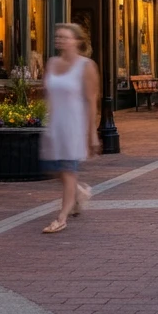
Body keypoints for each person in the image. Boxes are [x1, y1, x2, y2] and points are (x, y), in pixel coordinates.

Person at [40, 24, 99, 234]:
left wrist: (92, 134)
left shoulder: (86, 66)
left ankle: (61, 218)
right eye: (58, 37)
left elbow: (92, 101)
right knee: (54, 169)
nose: (60, 40)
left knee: (67, 171)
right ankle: (79, 192)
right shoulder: (52, 63)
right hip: (55, 124)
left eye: (65, 37)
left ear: (77, 41)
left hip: (74, 125)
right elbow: (48, 95)